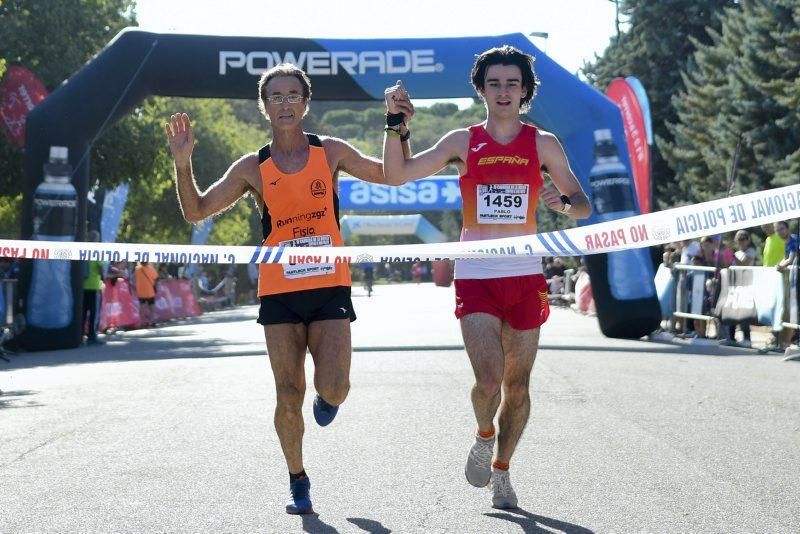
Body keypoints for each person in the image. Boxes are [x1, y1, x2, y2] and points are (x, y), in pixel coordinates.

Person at [164, 63, 412, 515]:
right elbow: (196, 210)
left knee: (335, 387)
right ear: (264, 107)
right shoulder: (252, 167)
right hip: (279, 292)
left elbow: (389, 175)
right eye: (274, 96)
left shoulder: (330, 151)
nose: (284, 103)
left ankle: (328, 398)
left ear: (306, 102)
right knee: (287, 392)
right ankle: (298, 479)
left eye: (292, 95)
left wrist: (396, 128)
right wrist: (183, 164)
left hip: (329, 286)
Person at [382, 45, 591, 509]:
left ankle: (502, 470)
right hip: (476, 274)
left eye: (511, 83)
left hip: (525, 276)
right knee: (488, 381)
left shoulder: (543, 144)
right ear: (481, 90)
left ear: (525, 90)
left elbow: (582, 204)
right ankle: (482, 434)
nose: (503, 91)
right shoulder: (462, 141)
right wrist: (396, 125)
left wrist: (566, 203)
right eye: (494, 83)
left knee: (518, 388)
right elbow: (397, 175)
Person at [721, 229, 756, 347]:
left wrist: (733, 254)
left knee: (744, 313)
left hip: (746, 284)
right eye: (739, 239)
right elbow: (728, 265)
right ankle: (731, 337)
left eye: (743, 238)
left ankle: (747, 338)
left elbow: (744, 264)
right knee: (732, 311)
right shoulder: (737, 253)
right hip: (734, 283)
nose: (741, 241)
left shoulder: (751, 251)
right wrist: (727, 254)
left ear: (748, 240)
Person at [82, 230, 107, 345]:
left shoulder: (83, 249)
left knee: (83, 312)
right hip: (93, 285)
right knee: (93, 313)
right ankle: (92, 336)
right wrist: (103, 278)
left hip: (82, 286)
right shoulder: (96, 251)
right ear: (96, 239)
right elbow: (101, 266)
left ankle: (80, 335)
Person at [134, 261, 159, 327]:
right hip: (149, 291)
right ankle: (151, 322)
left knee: (142, 307)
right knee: (152, 308)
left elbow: (134, 278)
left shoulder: (137, 269)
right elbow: (156, 278)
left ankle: (143, 322)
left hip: (141, 292)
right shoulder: (151, 269)